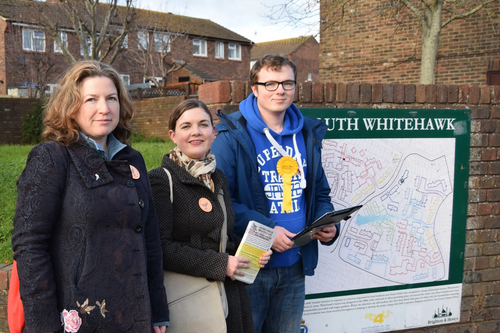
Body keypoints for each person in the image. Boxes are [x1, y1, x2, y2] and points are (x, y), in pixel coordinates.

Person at [12, 60, 169, 333]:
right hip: (74, 320)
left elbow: (149, 239)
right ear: (71, 107)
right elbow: (29, 247)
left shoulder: (134, 160)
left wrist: (157, 312)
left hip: (133, 317)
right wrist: (44, 327)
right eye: (91, 99)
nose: (104, 109)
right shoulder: (52, 157)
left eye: (111, 98)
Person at [211, 54, 339, 333]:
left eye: (287, 83)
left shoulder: (307, 133)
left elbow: (319, 193)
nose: (280, 90)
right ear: (254, 89)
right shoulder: (231, 134)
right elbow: (220, 199)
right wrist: (269, 229)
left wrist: (326, 221)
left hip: (295, 265)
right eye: (270, 83)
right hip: (250, 266)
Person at [148, 99, 271, 333]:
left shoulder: (219, 178)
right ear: (173, 135)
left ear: (213, 132)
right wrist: (222, 264)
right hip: (190, 302)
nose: (196, 132)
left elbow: (224, 240)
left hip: (230, 299)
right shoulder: (161, 180)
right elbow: (159, 249)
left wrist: (247, 258)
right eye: (186, 126)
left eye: (203, 124)